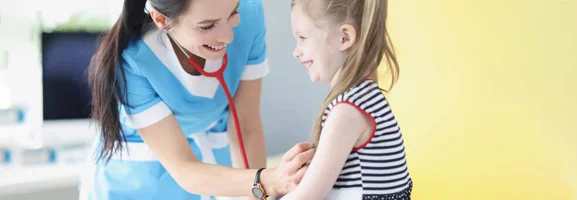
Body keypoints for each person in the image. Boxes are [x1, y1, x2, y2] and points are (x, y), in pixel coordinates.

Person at [79, 0, 315, 199]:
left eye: (233, 14)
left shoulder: (249, 11)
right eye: (207, 26)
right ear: (162, 20)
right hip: (135, 182)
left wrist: (258, 193)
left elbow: (246, 125)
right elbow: (185, 169)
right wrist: (268, 180)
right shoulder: (134, 61)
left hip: (210, 170)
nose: (228, 37)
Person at [282, 0, 414, 199]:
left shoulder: (347, 111)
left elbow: (308, 196)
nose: (296, 51)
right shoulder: (367, 97)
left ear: (344, 37)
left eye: (302, 37)